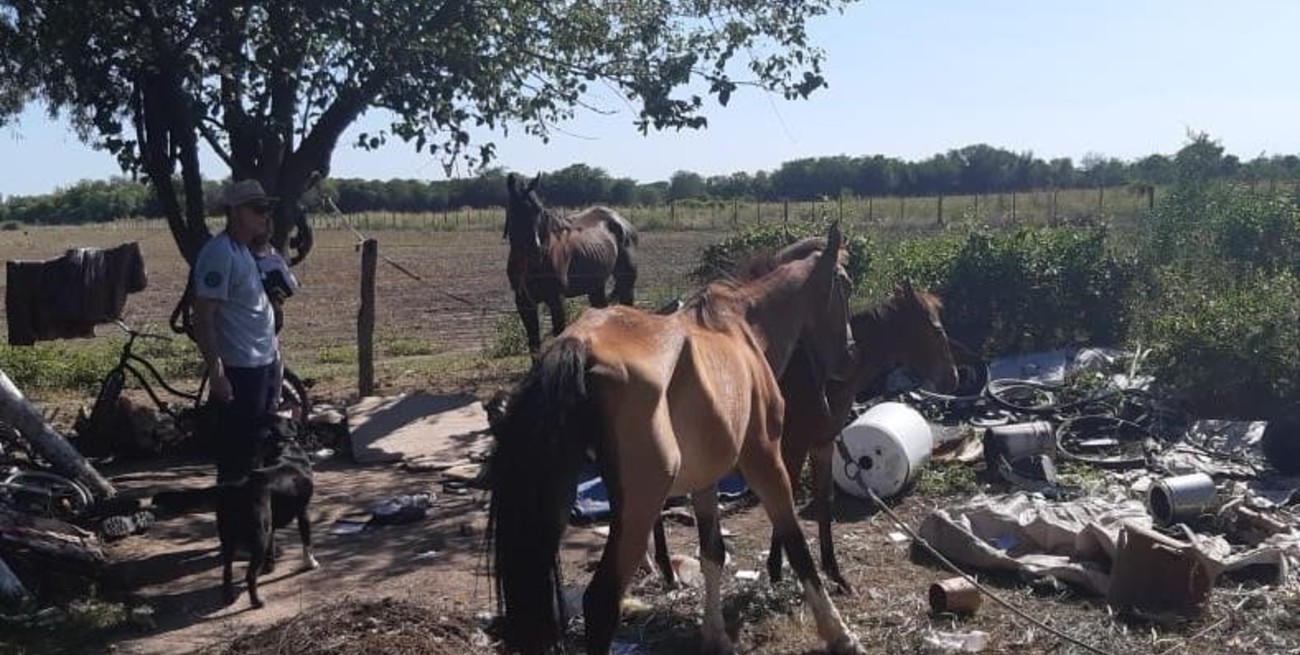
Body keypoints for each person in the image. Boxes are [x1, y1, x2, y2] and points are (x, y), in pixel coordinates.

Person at [192, 179, 279, 483]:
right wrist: (216, 371)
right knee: (238, 458)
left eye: (267, 209)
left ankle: (254, 520)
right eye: (258, 209)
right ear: (236, 213)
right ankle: (236, 522)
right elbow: (203, 314)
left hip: (261, 363)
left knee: (256, 449)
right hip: (240, 368)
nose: (265, 215)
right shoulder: (220, 253)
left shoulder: (245, 251)